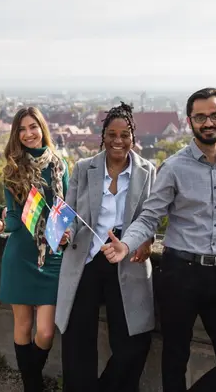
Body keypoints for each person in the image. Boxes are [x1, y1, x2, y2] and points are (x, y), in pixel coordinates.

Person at [109, 88, 216, 392]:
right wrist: (127, 243)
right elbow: (151, 216)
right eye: (200, 116)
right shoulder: (174, 167)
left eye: (214, 115)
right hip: (180, 273)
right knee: (175, 360)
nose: (208, 122)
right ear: (190, 121)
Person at [56, 102, 155, 392]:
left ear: (133, 137)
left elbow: (150, 218)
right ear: (103, 136)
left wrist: (145, 241)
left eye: (124, 134)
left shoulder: (147, 171)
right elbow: (69, 214)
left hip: (126, 258)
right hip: (86, 259)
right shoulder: (84, 168)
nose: (118, 140)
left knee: (134, 342)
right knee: (77, 342)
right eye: (112, 134)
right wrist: (64, 233)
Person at [0, 107, 69, 392]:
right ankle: (32, 386)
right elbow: (13, 219)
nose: (28, 134)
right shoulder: (12, 169)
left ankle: (30, 379)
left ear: (42, 128)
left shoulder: (60, 165)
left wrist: (65, 232)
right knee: (23, 327)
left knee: (46, 331)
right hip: (20, 255)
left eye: (33, 127)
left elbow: (66, 209)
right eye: (22, 129)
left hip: (51, 255)